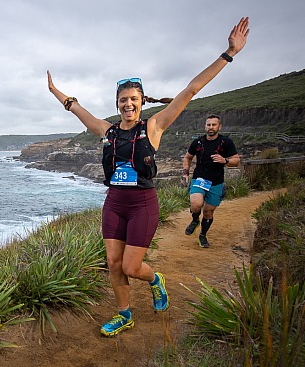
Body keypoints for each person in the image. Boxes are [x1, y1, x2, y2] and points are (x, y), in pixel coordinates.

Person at [47, 17, 249, 337]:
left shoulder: (152, 127)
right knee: (113, 264)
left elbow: (191, 89)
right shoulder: (107, 130)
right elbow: (77, 109)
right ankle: (124, 314)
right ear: (117, 103)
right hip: (114, 203)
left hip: (142, 203)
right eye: (123, 100)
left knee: (131, 266)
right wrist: (57, 92)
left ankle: (156, 281)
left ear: (141, 102)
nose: (128, 104)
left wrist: (228, 53)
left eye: (133, 99)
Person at [181, 114, 240, 248]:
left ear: (219, 127)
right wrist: (185, 173)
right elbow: (187, 157)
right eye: (208, 125)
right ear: (205, 126)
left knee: (208, 212)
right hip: (199, 178)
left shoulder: (226, 142)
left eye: (214, 125)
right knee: (196, 204)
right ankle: (195, 220)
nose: (211, 127)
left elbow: (236, 160)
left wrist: (225, 160)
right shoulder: (198, 142)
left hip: (216, 182)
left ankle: (203, 235)